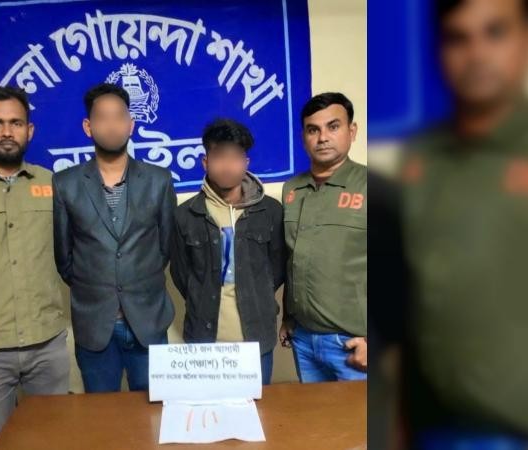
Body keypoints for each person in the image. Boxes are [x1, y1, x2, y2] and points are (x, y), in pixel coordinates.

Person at [397, 0, 528, 447]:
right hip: (434, 425)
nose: (477, 54)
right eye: (458, 38)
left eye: (496, 32)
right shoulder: (423, 158)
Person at [0, 85, 69, 449]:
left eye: (16, 123)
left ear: (29, 130)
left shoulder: (52, 183)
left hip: (47, 345)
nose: (7, 132)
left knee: (55, 440)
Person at [52, 83, 176, 393]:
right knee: (101, 416)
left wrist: (135, 276)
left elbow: (165, 248)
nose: (111, 125)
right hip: (94, 325)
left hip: (147, 321)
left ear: (131, 125)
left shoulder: (158, 180)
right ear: (88, 126)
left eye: (119, 117)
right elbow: (64, 257)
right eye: (102, 117)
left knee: (154, 412)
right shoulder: (65, 183)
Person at [170, 118, 285, 385]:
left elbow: (277, 269)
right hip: (204, 340)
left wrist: (256, 293)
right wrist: (202, 296)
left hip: (256, 339)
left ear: (245, 162)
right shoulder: (186, 215)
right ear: (205, 162)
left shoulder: (270, 211)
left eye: (235, 157)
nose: (227, 165)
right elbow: (181, 274)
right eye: (219, 156)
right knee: (205, 408)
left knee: (258, 409)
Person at [278, 92, 368, 383]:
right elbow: (293, 259)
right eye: (313, 130)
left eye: (333, 126)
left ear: (352, 131)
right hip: (303, 340)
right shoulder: (292, 189)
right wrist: (288, 317)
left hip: (353, 344)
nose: (323, 138)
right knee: (315, 415)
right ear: (303, 138)